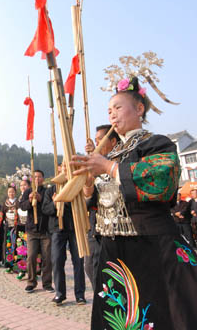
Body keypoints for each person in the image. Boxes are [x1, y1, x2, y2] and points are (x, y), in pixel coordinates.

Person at [70, 76, 197, 329]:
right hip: (114, 250)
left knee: (161, 314)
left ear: (139, 109)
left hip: (151, 245)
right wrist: (86, 181)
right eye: (109, 110)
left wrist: (106, 166)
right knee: (120, 317)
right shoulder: (112, 154)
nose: (113, 115)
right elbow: (99, 201)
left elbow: (161, 181)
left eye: (118, 107)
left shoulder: (156, 143)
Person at [42, 169, 86, 306]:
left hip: (74, 228)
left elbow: (85, 204)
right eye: (62, 168)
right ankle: (60, 294)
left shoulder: (76, 186)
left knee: (78, 262)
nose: (65, 171)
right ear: (58, 171)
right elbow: (45, 209)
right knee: (57, 260)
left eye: (67, 168)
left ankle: (80, 295)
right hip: (57, 229)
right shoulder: (51, 190)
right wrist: (55, 203)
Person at [84, 124, 120, 289]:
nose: (97, 144)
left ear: (113, 141)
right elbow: (88, 203)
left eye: (100, 140)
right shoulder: (93, 167)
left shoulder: (121, 163)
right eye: (96, 140)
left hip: (119, 228)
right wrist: (88, 188)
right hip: (97, 228)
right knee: (91, 267)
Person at [20, 171, 53, 293]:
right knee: (31, 256)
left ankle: (47, 283)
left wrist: (41, 199)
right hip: (32, 230)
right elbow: (22, 206)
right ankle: (31, 282)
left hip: (45, 230)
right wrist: (29, 201)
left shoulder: (47, 192)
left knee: (47, 258)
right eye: (35, 177)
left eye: (39, 177)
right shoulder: (28, 191)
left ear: (43, 179)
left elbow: (50, 207)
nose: (37, 178)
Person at [0, 184, 18, 272]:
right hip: (7, 227)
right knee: (8, 245)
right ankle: (8, 265)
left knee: (17, 244)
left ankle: (17, 265)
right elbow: (1, 215)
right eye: (10, 192)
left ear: (15, 193)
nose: (11, 193)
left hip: (17, 227)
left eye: (13, 192)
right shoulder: (4, 204)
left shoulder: (18, 203)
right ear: (7, 193)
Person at [16, 177, 29, 280]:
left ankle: (34, 270)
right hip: (20, 227)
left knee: (32, 250)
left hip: (30, 227)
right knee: (20, 249)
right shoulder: (18, 199)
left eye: (25, 185)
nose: (23, 187)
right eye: (21, 185)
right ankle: (21, 270)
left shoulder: (32, 197)